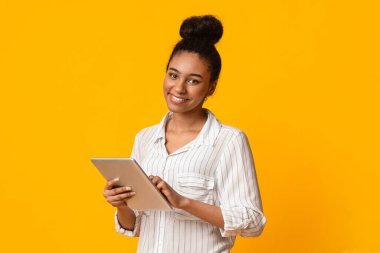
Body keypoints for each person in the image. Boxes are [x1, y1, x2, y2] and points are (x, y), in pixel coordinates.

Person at [103, 14, 266, 253]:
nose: (178, 88)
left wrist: (183, 202)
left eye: (193, 80)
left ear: (211, 86)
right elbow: (135, 225)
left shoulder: (228, 141)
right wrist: (121, 205)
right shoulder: (145, 139)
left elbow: (253, 222)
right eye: (173, 75)